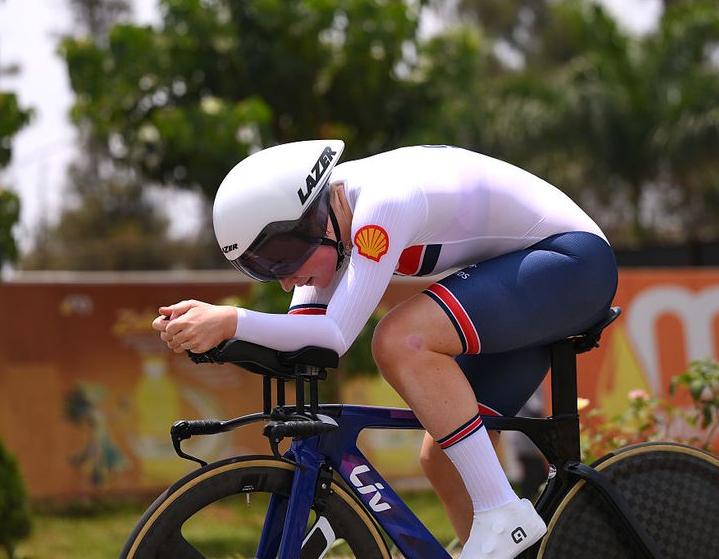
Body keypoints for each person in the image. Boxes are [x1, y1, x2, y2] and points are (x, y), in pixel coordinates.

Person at [152, 140, 618, 559]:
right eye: (262, 268)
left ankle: (504, 514)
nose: (286, 279)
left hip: (572, 264)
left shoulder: (384, 201)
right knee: (443, 456)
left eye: (284, 256)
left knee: (400, 340)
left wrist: (230, 319)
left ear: (317, 216)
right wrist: (217, 340)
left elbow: (333, 336)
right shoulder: (329, 231)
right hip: (528, 275)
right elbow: (303, 341)